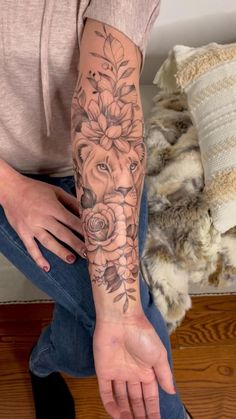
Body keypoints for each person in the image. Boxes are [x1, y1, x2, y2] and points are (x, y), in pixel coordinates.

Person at [0, 1, 192, 418]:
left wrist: (120, 314)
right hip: (6, 177)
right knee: (106, 326)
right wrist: (10, 188)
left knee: (117, 320)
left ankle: (45, 359)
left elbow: (109, 98)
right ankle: (46, 361)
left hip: (97, 171)